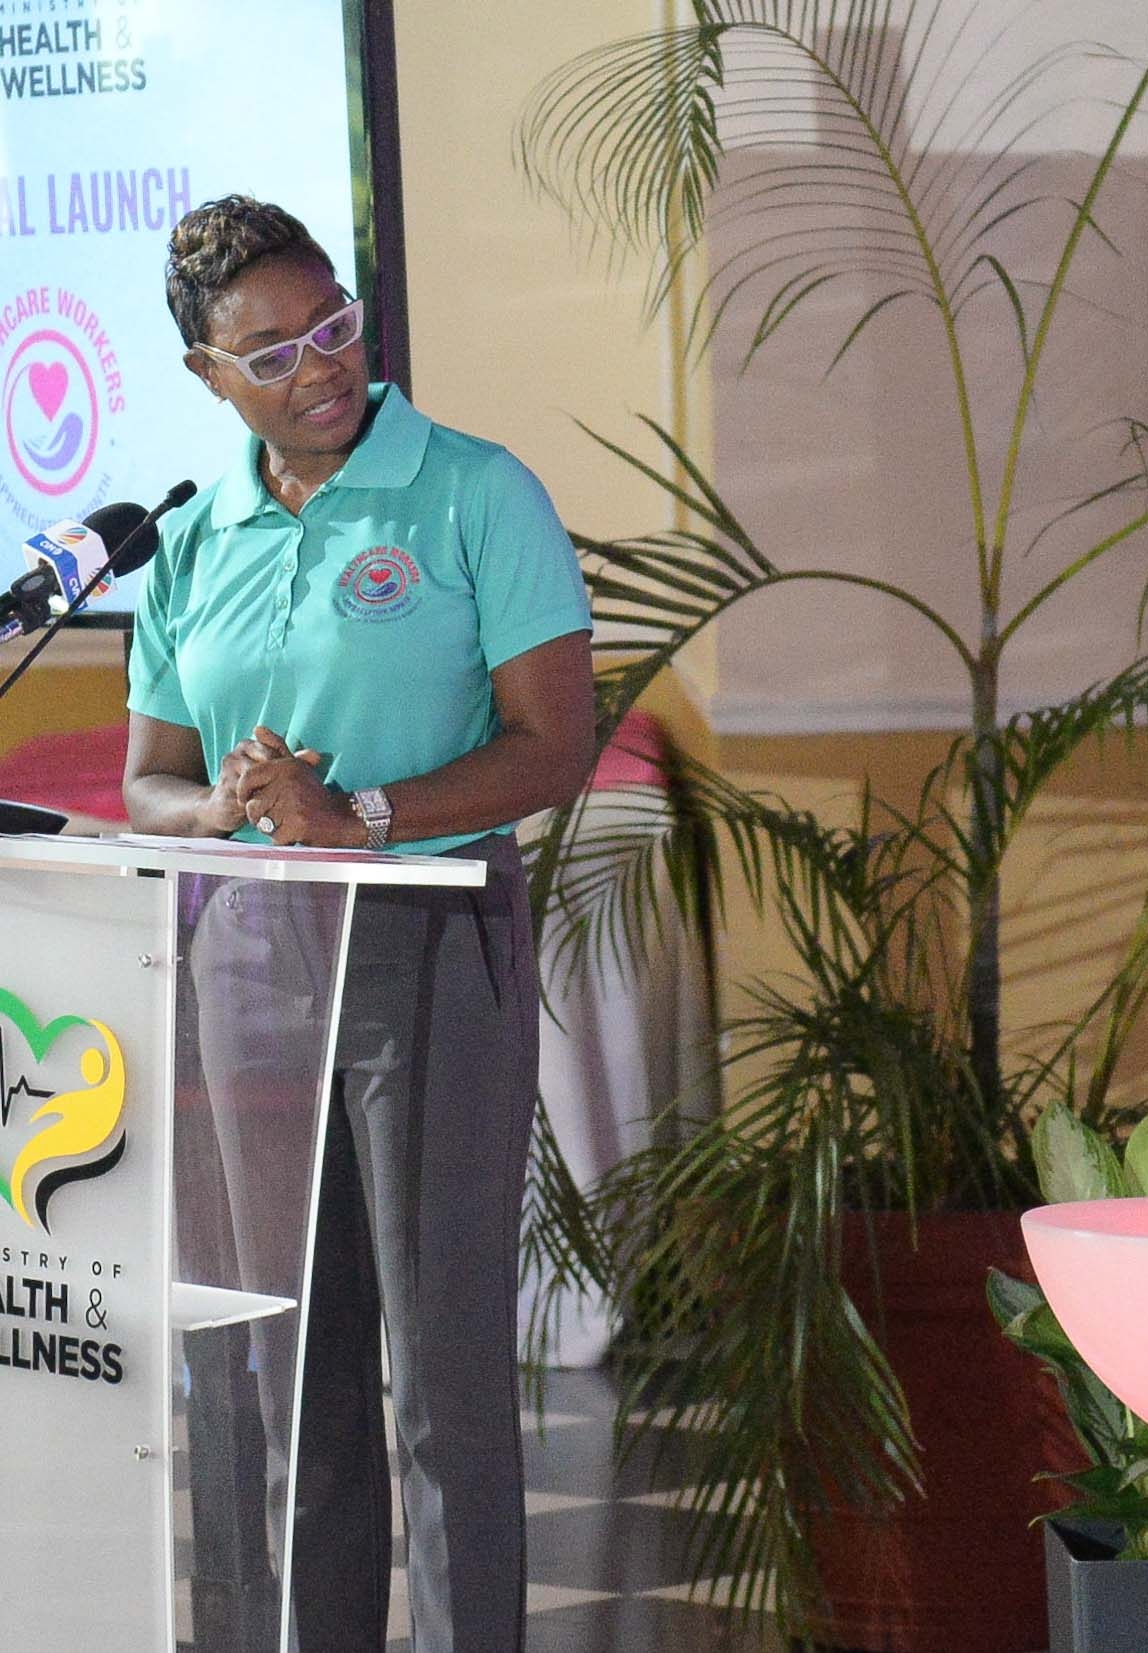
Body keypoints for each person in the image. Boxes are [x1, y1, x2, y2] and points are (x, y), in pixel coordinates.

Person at [123, 196, 595, 1653]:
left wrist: (365, 812)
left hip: (425, 943)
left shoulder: (473, 492)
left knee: (442, 1377)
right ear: (208, 377)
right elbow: (150, 778)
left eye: (330, 324)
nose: (320, 365)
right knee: (287, 1369)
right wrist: (224, 808)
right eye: (269, 353)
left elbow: (552, 743)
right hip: (243, 962)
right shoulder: (191, 539)